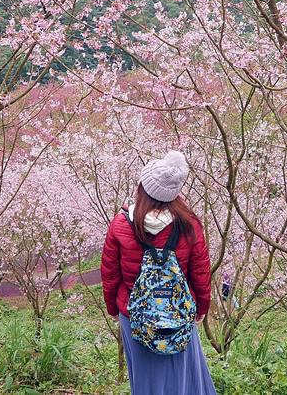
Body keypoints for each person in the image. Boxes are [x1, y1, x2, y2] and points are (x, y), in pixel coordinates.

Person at [100, 150, 217, 394]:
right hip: (177, 313)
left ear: (143, 188)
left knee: (145, 380)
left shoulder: (121, 224)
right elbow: (200, 274)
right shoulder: (189, 224)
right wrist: (201, 308)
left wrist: (113, 307)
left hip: (135, 316)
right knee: (181, 376)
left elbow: (110, 275)